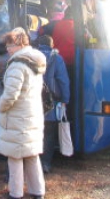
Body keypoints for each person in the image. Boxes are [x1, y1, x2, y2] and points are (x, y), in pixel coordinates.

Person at [0, 27, 46, 199]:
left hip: (18, 118)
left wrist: (0, 107)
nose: (7, 49)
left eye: (10, 45)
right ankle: (37, 191)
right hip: (32, 115)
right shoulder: (35, 62)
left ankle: (15, 193)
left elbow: (10, 94)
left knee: (15, 156)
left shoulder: (17, 65)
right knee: (32, 155)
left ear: (19, 44)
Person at [36, 35, 70, 174]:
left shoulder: (32, 57)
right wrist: (65, 99)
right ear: (52, 44)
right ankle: (45, 163)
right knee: (49, 133)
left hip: (34, 100)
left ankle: (34, 162)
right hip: (51, 101)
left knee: (35, 132)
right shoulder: (57, 58)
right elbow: (63, 81)